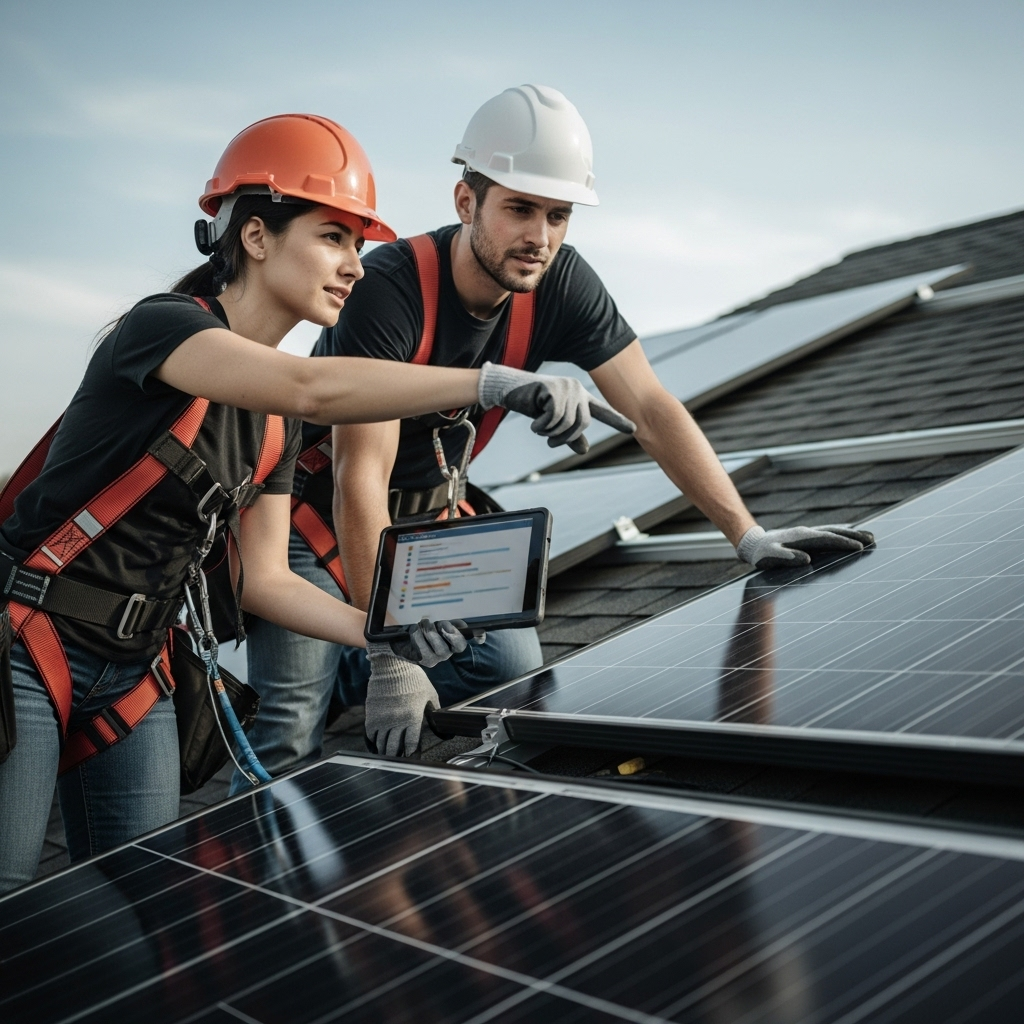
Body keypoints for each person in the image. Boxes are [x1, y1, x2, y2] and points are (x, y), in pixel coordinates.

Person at [0, 112, 630, 893]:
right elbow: (317, 385)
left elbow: (268, 580)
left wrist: (385, 640)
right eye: (333, 237)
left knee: (144, 907)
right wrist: (495, 380)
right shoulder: (159, 330)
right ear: (257, 236)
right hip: (29, 646)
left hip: (135, 672)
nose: (356, 267)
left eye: (359, 246)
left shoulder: (272, 423)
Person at [240, 86, 872, 786]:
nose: (539, 236)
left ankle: (347, 660)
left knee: (507, 670)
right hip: (314, 523)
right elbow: (361, 477)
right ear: (465, 203)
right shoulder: (390, 289)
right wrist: (394, 655)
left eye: (558, 215)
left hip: (425, 525)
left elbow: (652, 407)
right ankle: (328, 668)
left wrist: (746, 534)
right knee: (288, 729)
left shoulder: (560, 283)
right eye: (518, 208)